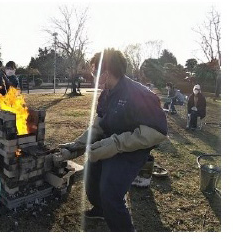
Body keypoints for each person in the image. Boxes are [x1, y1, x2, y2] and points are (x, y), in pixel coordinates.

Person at [59, 48, 168, 231]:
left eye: (95, 72)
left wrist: (117, 144)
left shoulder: (140, 94)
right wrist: (78, 144)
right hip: (108, 144)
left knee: (110, 192)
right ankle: (101, 209)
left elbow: (157, 132)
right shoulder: (107, 93)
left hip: (132, 151)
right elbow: (100, 124)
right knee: (92, 175)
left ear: (107, 73)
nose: (93, 77)